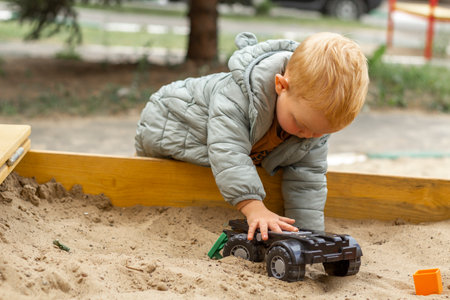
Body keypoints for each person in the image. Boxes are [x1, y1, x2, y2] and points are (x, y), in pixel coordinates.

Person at [135, 32, 369, 240]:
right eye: (301, 124)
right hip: (169, 124)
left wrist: (309, 236)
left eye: (321, 132)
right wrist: (253, 207)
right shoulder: (236, 96)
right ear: (281, 86)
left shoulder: (311, 123)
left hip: (215, 152)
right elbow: (228, 151)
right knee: (153, 182)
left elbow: (307, 180)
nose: (309, 135)